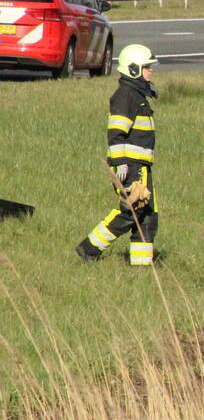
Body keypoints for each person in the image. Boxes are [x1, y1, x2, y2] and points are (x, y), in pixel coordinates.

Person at [76, 44, 160, 265]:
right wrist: (120, 163)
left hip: (141, 165)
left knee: (148, 217)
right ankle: (89, 248)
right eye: (147, 67)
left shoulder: (137, 94)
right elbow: (115, 132)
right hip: (130, 166)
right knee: (130, 211)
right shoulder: (125, 95)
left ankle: (142, 266)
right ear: (133, 69)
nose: (151, 71)